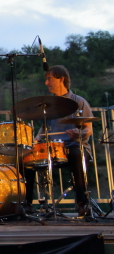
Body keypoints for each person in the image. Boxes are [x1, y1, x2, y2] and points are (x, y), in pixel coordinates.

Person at [24, 65, 94, 217]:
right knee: (26, 157)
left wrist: (79, 134)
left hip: (75, 146)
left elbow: (89, 129)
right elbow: (43, 131)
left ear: (61, 79)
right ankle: (27, 204)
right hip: (52, 149)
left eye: (49, 79)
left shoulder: (79, 102)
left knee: (77, 154)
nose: (46, 83)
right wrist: (34, 142)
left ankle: (82, 203)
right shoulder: (47, 105)